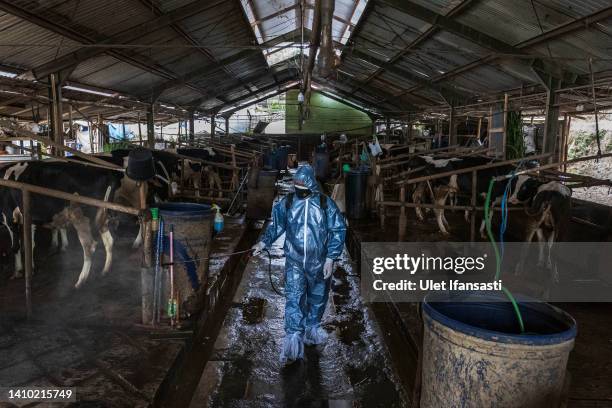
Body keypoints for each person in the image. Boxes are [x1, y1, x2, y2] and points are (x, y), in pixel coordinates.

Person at [251, 164, 346, 365]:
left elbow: (338, 229)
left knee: (318, 297)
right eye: (296, 185)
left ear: (311, 183)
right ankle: (293, 341)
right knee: (294, 298)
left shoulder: (324, 203)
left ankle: (312, 329)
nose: (299, 188)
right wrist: (263, 242)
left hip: (319, 261)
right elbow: (276, 225)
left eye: (303, 184)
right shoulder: (287, 203)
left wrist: (331, 257)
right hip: (294, 261)